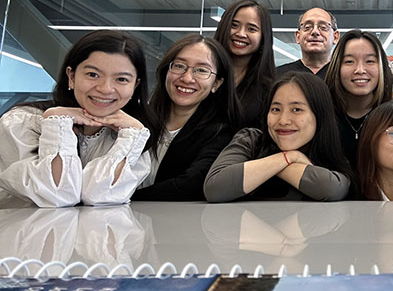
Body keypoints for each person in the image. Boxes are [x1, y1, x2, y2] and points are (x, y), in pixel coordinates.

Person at [0, 30, 155, 207]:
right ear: (71, 77)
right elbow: (56, 195)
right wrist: (57, 122)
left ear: (135, 85)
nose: (105, 88)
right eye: (93, 75)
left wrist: (133, 134)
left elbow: (100, 196)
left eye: (121, 79)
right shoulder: (20, 122)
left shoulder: (130, 137)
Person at [204, 72, 353, 202]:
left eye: (296, 109)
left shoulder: (330, 155)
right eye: (275, 109)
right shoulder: (250, 140)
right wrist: (289, 157)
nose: (283, 121)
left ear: (320, 116)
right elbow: (215, 188)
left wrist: (272, 165)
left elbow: (330, 189)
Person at [132, 34, 242, 201]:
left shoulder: (221, 133)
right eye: (179, 66)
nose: (187, 78)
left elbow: (190, 185)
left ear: (216, 84)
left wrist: (125, 198)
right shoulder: (138, 120)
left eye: (202, 70)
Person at [324, 29, 393, 168]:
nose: (360, 69)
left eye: (370, 61)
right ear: (337, 67)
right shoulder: (321, 118)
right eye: (349, 61)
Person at [214, 0, 276, 128]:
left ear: (263, 38)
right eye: (234, 25)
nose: (241, 34)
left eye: (251, 29)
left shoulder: (269, 89)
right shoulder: (202, 72)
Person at [276, 7, 339, 79]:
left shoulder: (344, 76)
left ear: (335, 37)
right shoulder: (278, 76)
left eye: (323, 27)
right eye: (307, 27)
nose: (315, 32)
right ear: (298, 36)